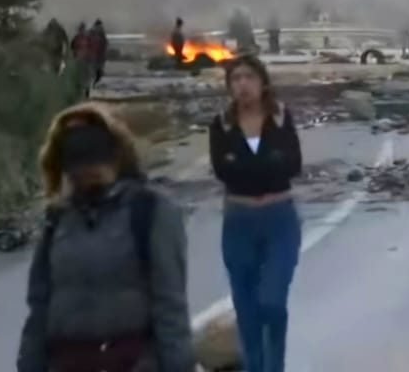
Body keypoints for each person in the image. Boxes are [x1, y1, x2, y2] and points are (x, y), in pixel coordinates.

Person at [18, 103, 194, 372]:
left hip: (132, 360)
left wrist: (178, 365)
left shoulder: (149, 211)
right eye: (77, 165)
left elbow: (170, 304)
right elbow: (40, 304)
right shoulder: (58, 219)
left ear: (116, 156)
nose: (87, 174)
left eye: (94, 162)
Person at [209, 55, 303, 371]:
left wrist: (247, 166)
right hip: (239, 222)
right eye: (236, 79)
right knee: (247, 310)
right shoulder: (221, 124)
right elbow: (224, 171)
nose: (243, 84)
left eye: (249, 77)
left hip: (280, 220)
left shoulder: (279, 118)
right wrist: (265, 165)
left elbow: (292, 165)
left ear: (263, 83)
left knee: (272, 302)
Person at [90, 19, 110, 87]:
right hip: (97, 56)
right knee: (98, 72)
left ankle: (93, 85)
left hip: (96, 56)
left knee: (96, 72)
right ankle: (93, 85)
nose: (100, 27)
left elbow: (105, 44)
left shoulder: (93, 32)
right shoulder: (99, 33)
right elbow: (105, 43)